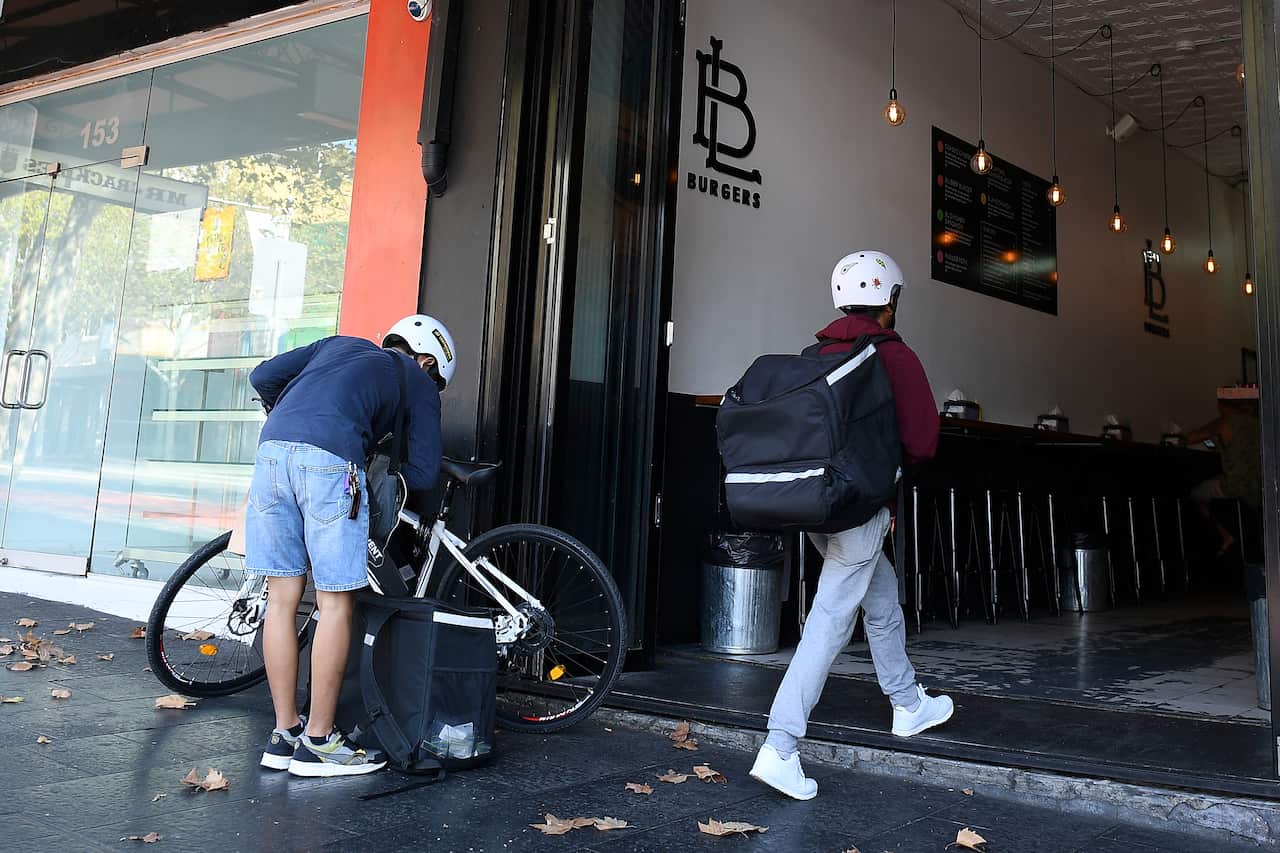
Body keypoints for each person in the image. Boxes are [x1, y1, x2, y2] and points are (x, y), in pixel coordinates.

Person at [749, 251, 953, 801]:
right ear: (891, 300)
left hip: (820, 507)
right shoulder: (893, 355)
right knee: (829, 623)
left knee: (881, 598)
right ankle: (781, 744)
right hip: (861, 508)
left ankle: (908, 704)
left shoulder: (817, 353)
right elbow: (923, 441)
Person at [245, 314, 455, 777]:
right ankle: (320, 742)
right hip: (331, 462)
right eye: (435, 377)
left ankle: (285, 734)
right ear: (425, 360)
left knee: (281, 601)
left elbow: (261, 375)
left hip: (270, 454)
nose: (431, 385)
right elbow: (421, 474)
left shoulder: (336, 345)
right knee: (335, 603)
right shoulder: (415, 382)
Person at [1186, 390, 1262, 556]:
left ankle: (1225, 534)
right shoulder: (1257, 423)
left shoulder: (1224, 422)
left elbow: (1191, 438)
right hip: (1259, 486)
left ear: (1222, 406)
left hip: (1235, 485)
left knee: (1195, 495)